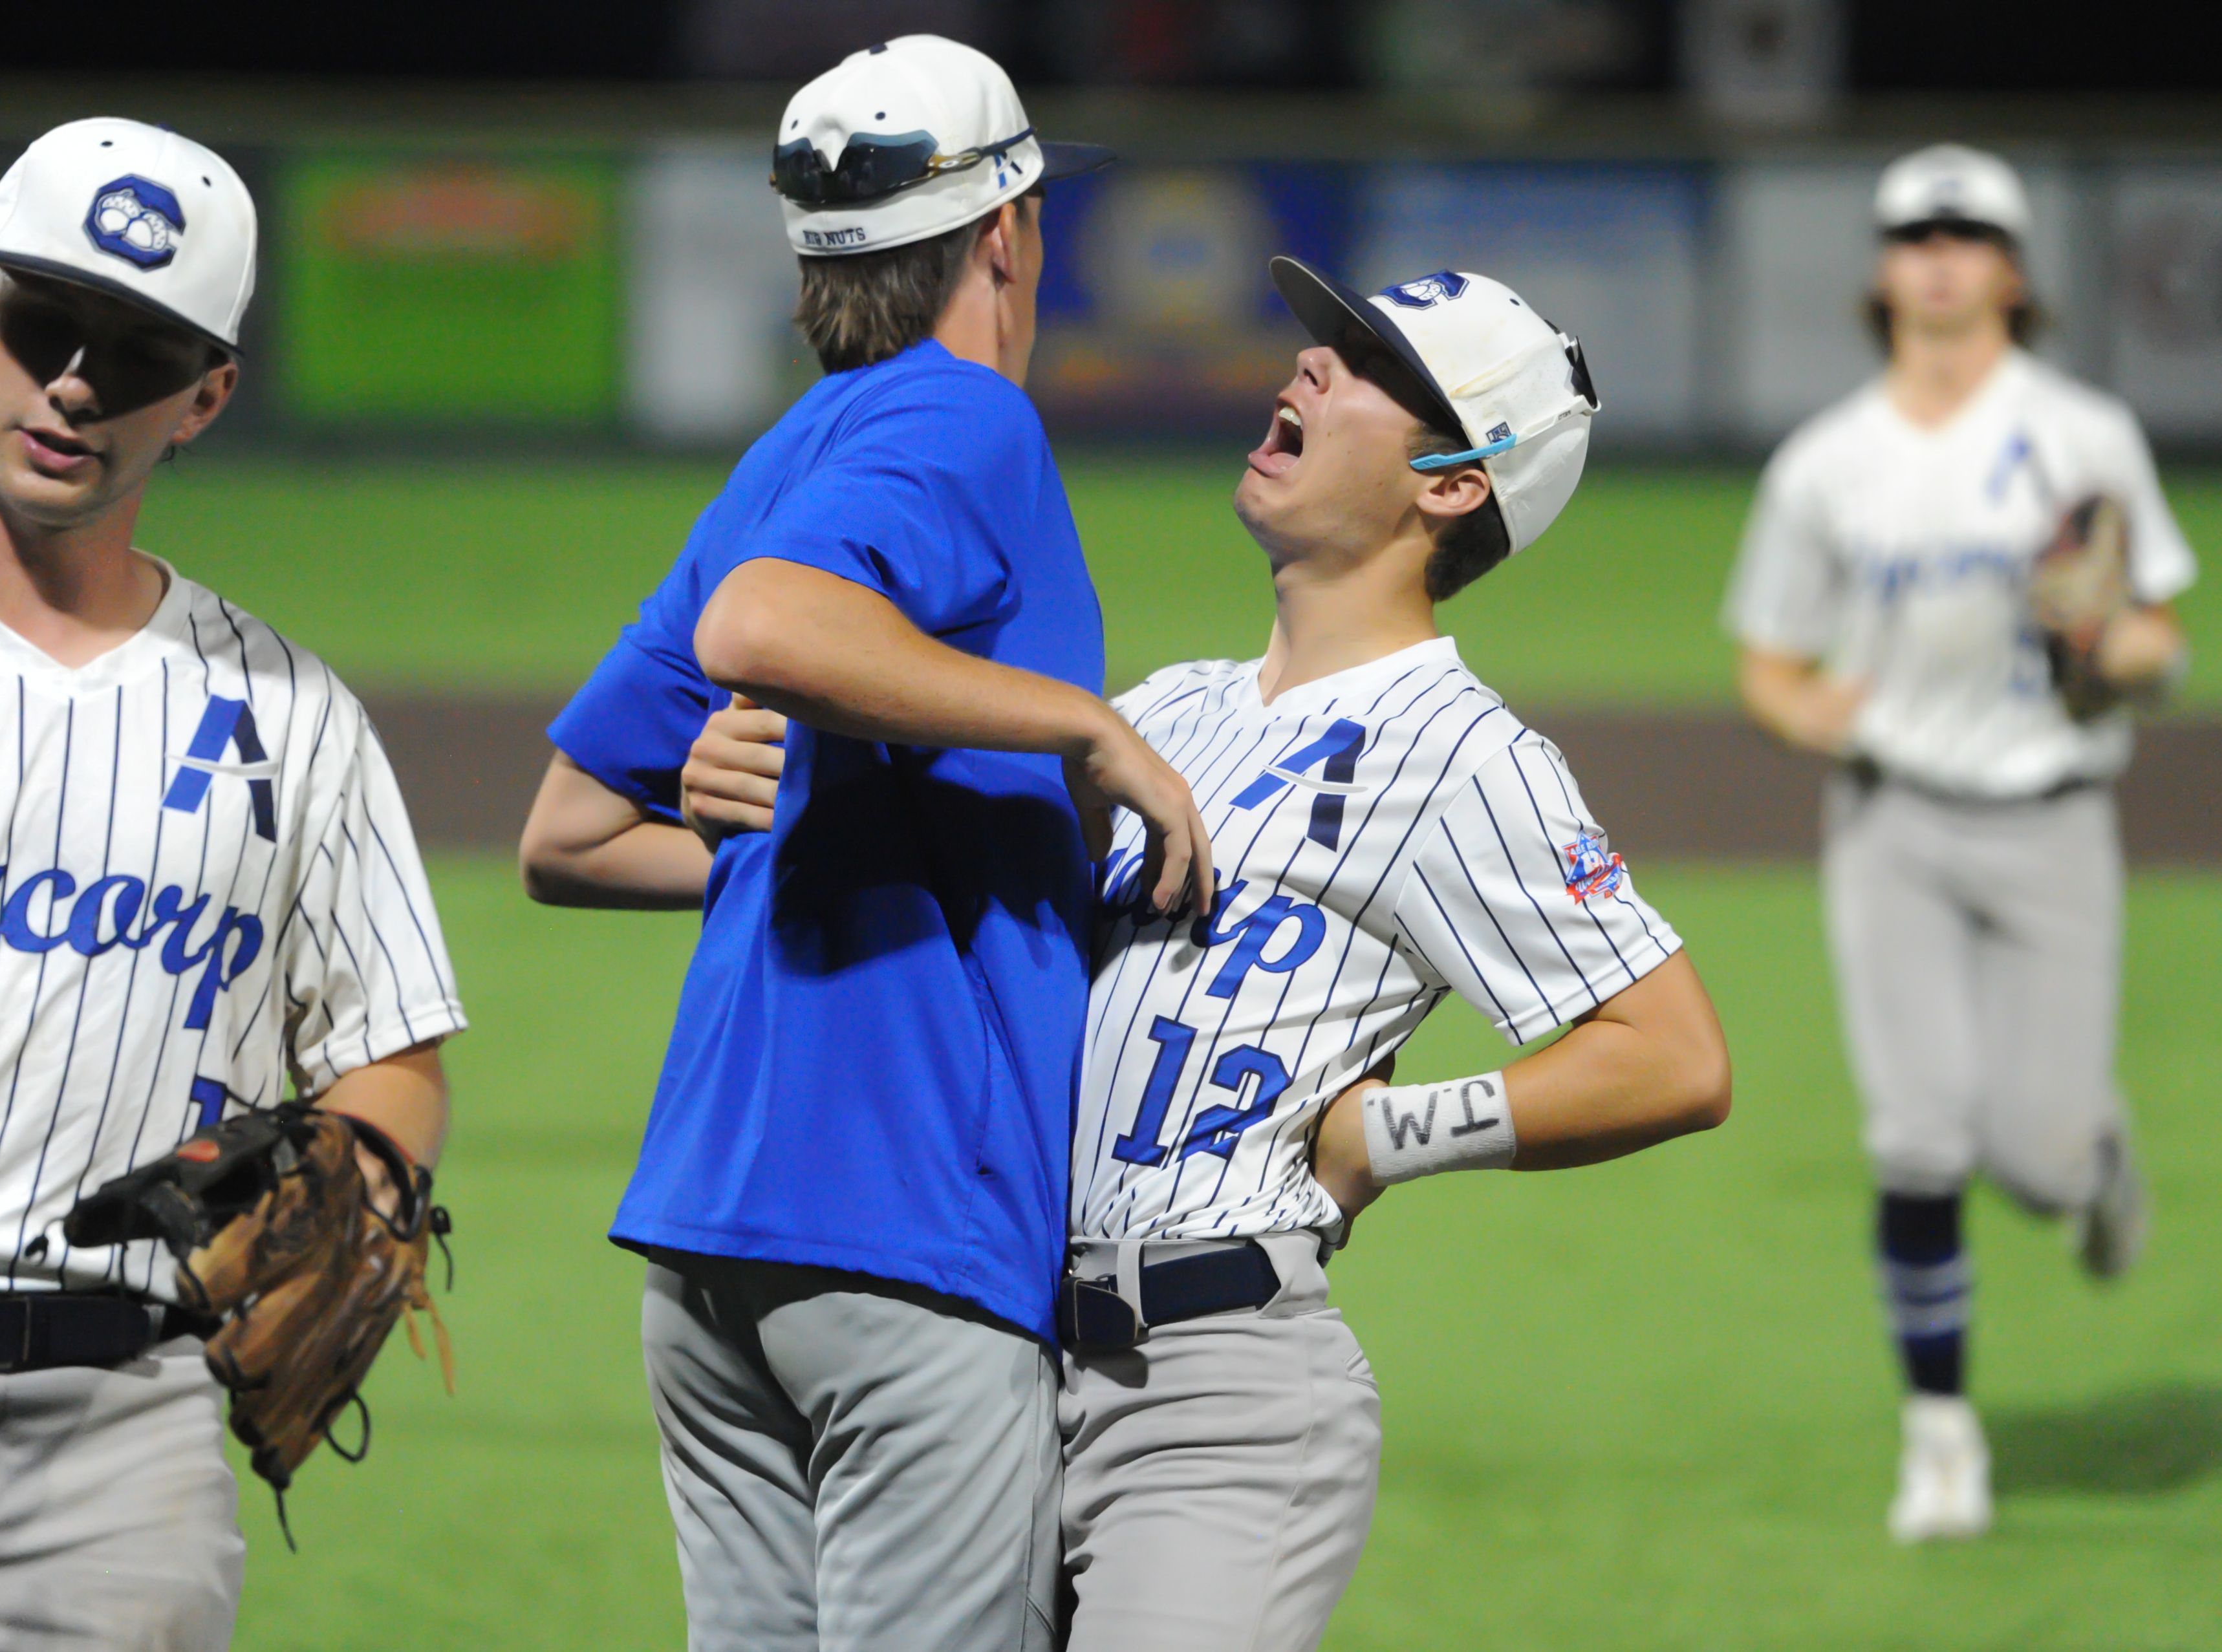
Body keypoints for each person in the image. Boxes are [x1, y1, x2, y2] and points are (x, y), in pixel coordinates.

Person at [681, 257, 1734, 1651]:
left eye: (1366, 365)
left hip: (1218, 1395)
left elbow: (1672, 1056)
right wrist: (750, 774)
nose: (1306, 366)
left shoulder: (1466, 755)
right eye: (1322, 344)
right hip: (1001, 1362)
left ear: (1454, 482)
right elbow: (958, 919)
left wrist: (1389, 1136)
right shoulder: (1164, 707)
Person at [517, 36, 1207, 1652]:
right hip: (906, 1229)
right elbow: (769, 621)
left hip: (711, 1243)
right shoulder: (972, 425)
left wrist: (776, 829)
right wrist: (1082, 727)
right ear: (1006, 232)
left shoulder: (784, 456)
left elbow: (566, 833)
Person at [0, 119, 464, 1649]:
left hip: (119, 1433)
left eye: (141, 353)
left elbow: (391, 1054)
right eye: (46, 323)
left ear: (209, 396)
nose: (75, 387)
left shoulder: (295, 721)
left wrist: (362, 1181)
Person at [1723, 144, 2194, 1543]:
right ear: (1883, 268)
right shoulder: (1830, 464)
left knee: (2038, 1160)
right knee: (1919, 1138)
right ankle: (1940, 1437)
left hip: (2054, 817)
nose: (1938, 254)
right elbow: (1767, 658)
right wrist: (1807, 715)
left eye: (1966, 231)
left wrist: (2124, 656)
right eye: (1914, 231)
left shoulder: (2084, 434)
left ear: (2011, 267)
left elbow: (2157, 632)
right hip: (1893, 824)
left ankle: (2095, 1163)